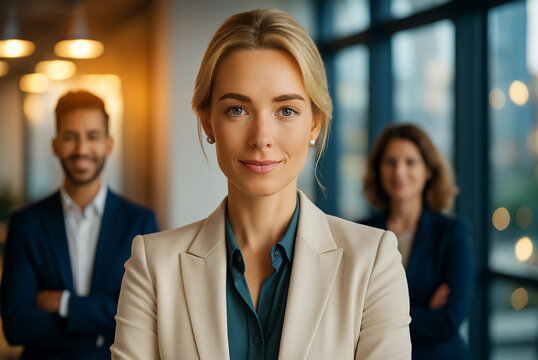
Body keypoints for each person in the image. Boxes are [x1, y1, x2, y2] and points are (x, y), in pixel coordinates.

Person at [112, 8, 411, 360]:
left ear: (314, 124)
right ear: (207, 121)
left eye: (286, 111)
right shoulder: (153, 265)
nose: (261, 138)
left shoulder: (372, 262)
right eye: (237, 110)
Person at [0, 90, 159, 359]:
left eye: (92, 136)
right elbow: (17, 325)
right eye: (70, 137)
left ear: (108, 144)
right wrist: (101, 321)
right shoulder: (26, 223)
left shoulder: (140, 221)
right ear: (55, 145)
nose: (81, 149)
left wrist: (64, 304)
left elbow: (147, 315)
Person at [360, 123, 474, 360]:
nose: (399, 171)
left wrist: (377, 318)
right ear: (379, 170)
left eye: (410, 162)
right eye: (390, 162)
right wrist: (422, 312)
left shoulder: (452, 232)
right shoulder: (361, 232)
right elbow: (350, 314)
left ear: (428, 170)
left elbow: (449, 319)